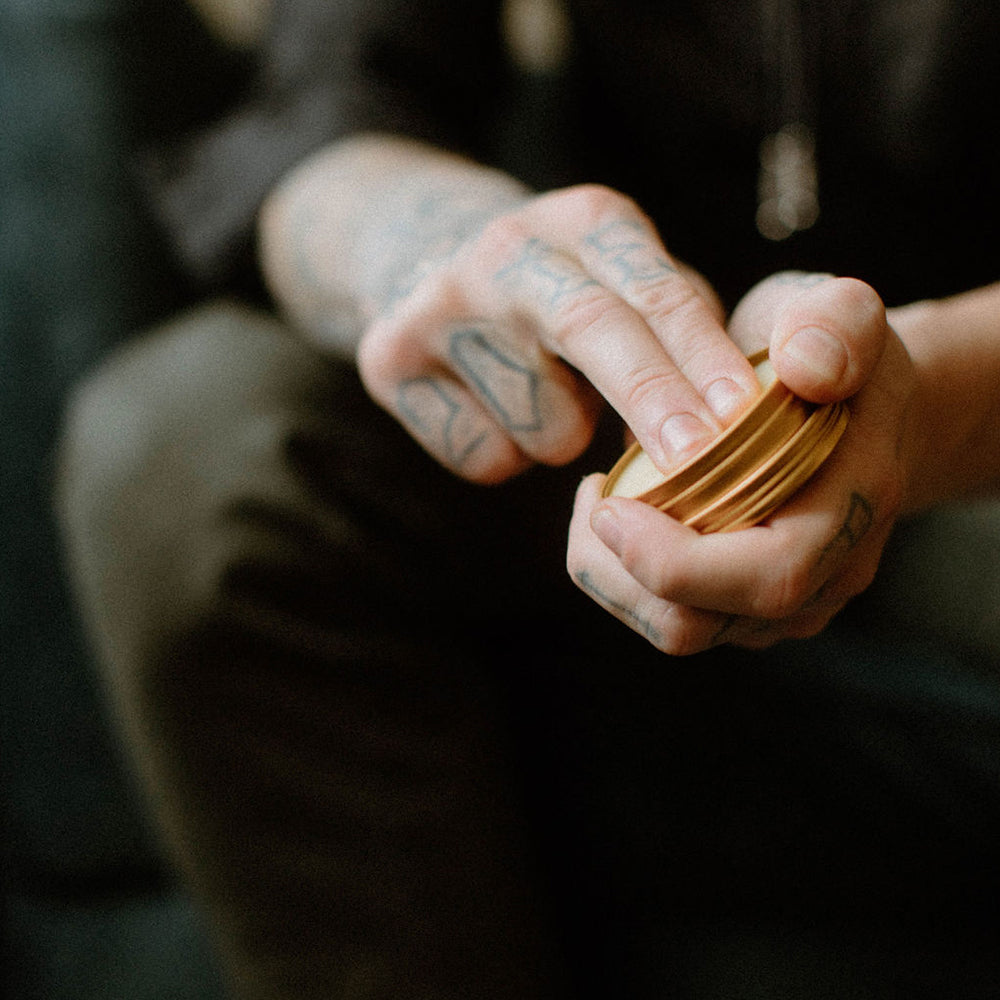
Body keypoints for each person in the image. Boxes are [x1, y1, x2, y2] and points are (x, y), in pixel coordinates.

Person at [56, 1, 1000, 997]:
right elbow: (325, 104)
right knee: (189, 444)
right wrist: (428, 251)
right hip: (640, 392)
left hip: (972, 418)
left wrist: (932, 397)